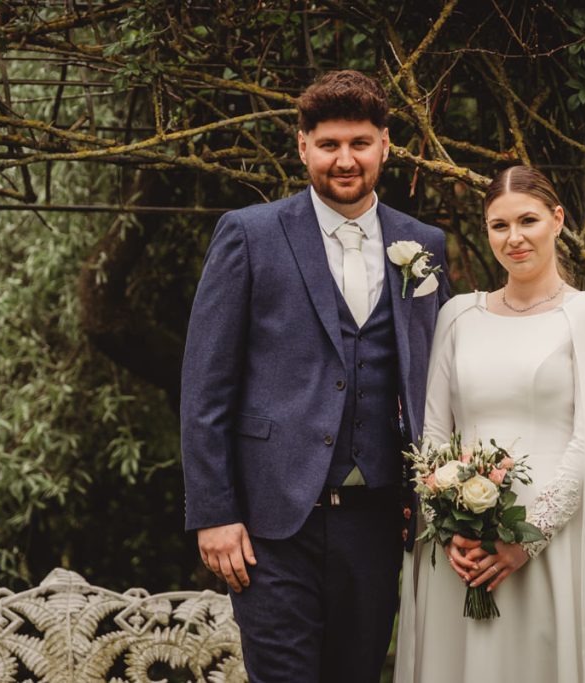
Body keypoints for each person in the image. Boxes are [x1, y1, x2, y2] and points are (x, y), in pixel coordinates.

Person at [179, 70, 450, 683]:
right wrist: (213, 513)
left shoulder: (423, 242)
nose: (345, 159)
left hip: (379, 520)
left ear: (385, 143)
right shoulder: (249, 235)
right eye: (329, 145)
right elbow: (204, 388)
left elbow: (434, 377)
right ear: (303, 147)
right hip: (272, 525)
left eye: (359, 143)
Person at [394, 165, 585, 682]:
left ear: (557, 219)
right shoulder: (458, 316)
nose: (514, 238)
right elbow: (431, 437)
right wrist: (453, 528)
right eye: (499, 225)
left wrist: (528, 538)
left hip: (553, 544)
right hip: (465, 553)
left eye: (528, 220)